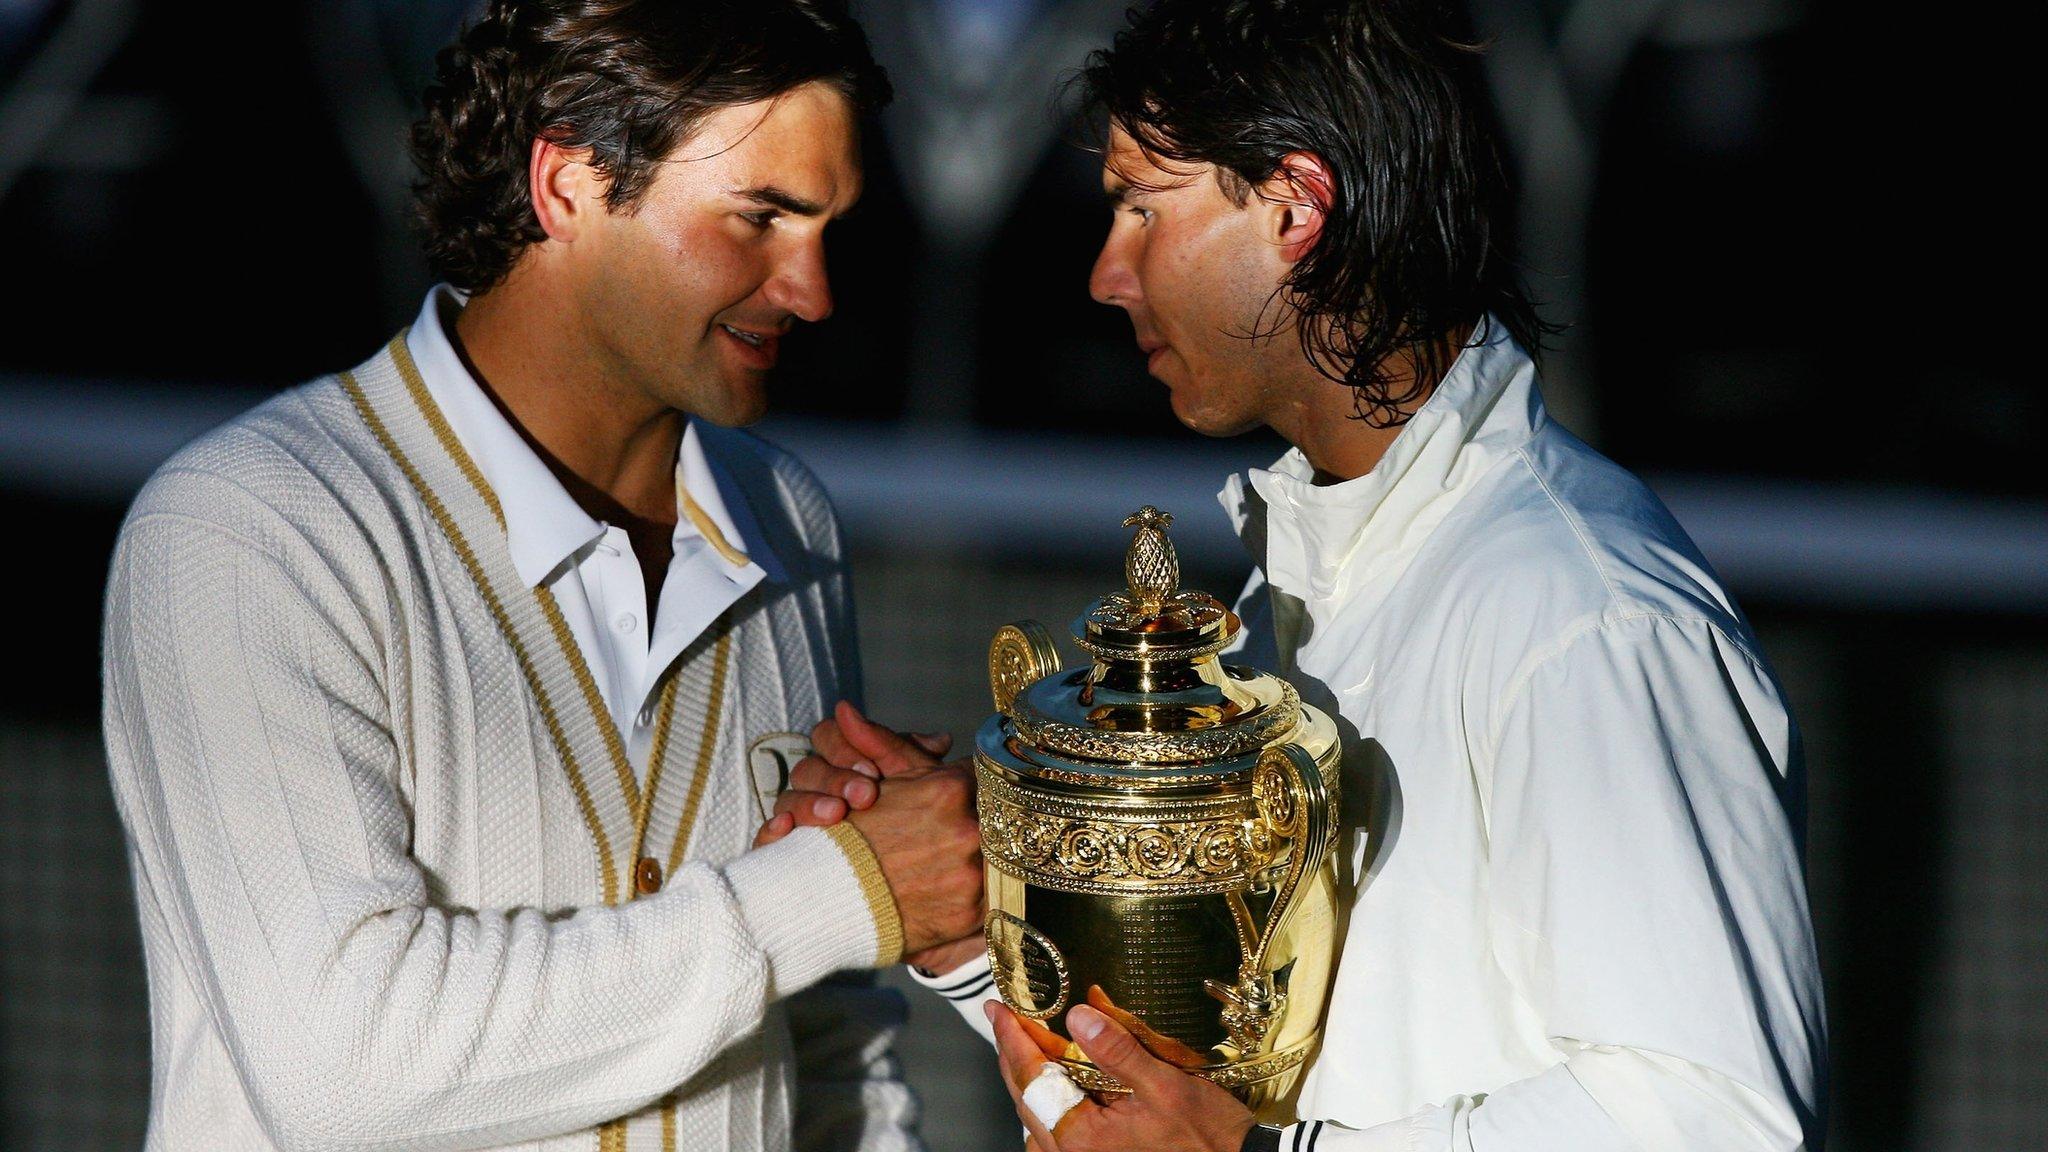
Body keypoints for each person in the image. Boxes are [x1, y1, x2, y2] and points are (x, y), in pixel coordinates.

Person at [788, 0, 1827, 1149]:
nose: (1104, 274)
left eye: (1142, 207)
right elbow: (1204, 1095)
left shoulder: (1579, 612)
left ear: (1294, 208)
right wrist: (973, 940)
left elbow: (1718, 1120)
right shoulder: (1296, 595)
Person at [98, 2, 984, 1150]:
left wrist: (850, 910)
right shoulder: (253, 527)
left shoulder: (785, 518)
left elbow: (829, 1054)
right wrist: (836, 892)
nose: (810, 290)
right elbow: (339, 1060)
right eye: (759, 218)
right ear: (566, 185)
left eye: (826, 229)